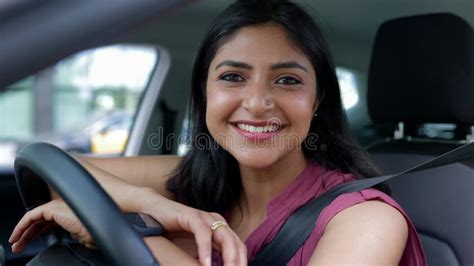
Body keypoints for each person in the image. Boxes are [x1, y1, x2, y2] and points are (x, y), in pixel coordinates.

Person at [9, 0, 426, 265]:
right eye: (233, 77)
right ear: (204, 94)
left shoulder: (368, 219)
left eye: (287, 81)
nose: (258, 102)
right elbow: (59, 177)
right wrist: (161, 206)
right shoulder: (198, 178)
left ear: (317, 101)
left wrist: (124, 236)